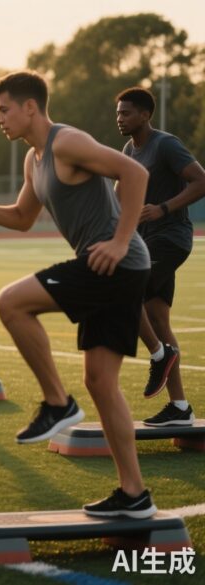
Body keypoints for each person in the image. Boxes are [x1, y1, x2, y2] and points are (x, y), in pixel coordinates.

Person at [0, 71, 156, 518]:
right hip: (110, 268)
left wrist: (121, 241)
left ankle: (58, 403)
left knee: (11, 302)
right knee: (101, 383)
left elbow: (135, 172)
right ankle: (134, 494)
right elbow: (23, 217)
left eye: (4, 109)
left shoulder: (67, 142)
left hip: (115, 264)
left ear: (30, 107)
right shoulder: (33, 159)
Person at [115, 87, 205, 426]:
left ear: (145, 115)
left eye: (126, 113)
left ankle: (158, 354)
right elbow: (120, 191)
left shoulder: (165, 144)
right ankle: (180, 408)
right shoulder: (129, 149)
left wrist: (163, 208)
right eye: (118, 113)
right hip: (146, 241)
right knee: (157, 318)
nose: (119, 118)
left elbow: (201, 181)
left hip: (170, 238)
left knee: (125, 288)